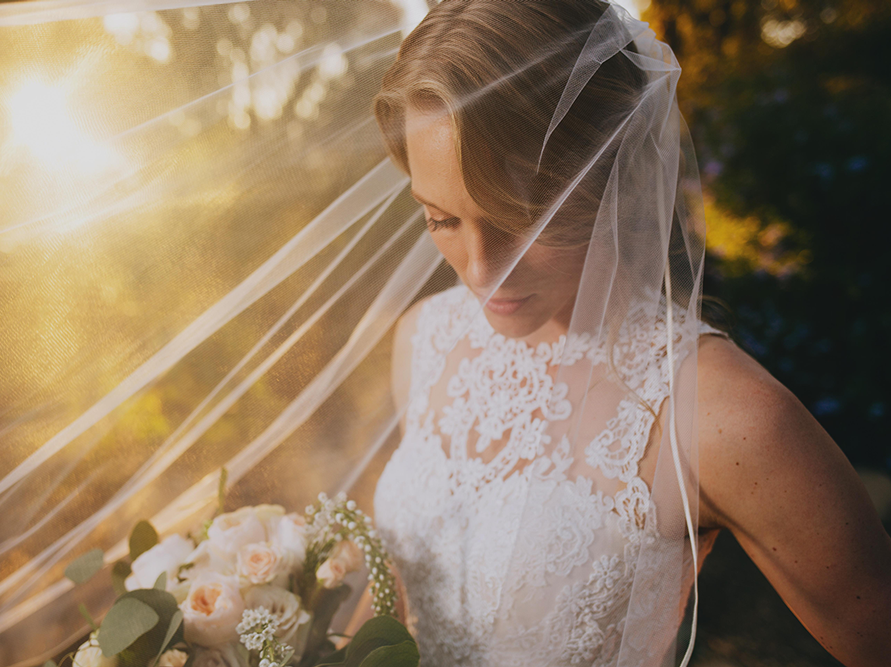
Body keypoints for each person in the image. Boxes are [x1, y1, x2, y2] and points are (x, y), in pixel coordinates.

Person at [364, 1, 891, 666]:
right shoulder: (424, 338)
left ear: (616, 170)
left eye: (523, 217)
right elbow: (401, 606)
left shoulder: (721, 414)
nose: (480, 271)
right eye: (441, 219)